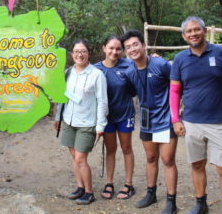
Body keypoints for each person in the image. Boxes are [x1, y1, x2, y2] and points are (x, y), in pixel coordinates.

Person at [121, 30, 178, 214]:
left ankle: (171, 201)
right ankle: (151, 193)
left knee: (167, 159)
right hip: (146, 120)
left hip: (165, 118)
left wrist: (178, 112)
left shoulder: (161, 64)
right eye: (128, 47)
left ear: (144, 45)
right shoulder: (129, 70)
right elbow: (131, 91)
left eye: (135, 44)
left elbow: (177, 84)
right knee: (151, 158)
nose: (132, 49)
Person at [170, 16, 222, 214]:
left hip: (219, 121)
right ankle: (201, 204)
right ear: (184, 36)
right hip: (192, 122)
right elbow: (174, 91)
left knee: (221, 168)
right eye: (189, 31)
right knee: (197, 163)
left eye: (196, 30)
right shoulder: (180, 59)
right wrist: (176, 119)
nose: (193, 34)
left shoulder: (219, 52)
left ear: (204, 30)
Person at [54, 39, 108, 205]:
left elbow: (102, 101)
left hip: (87, 123)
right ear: (72, 54)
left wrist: (100, 125)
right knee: (73, 156)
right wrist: (57, 117)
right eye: (76, 51)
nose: (80, 54)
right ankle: (80, 187)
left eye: (83, 51)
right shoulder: (68, 72)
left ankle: (89, 192)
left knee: (80, 159)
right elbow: (62, 96)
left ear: (88, 53)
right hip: (69, 120)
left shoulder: (97, 74)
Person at [94, 35, 136, 200]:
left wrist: (153, 58)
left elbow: (143, 66)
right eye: (111, 48)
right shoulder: (95, 69)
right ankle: (109, 182)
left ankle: (128, 184)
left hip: (125, 114)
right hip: (106, 117)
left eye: (118, 48)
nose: (114, 51)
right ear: (104, 48)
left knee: (127, 148)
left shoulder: (128, 64)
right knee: (110, 150)